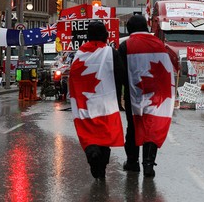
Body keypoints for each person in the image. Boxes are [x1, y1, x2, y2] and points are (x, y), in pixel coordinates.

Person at [118, 15, 175, 177]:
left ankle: (132, 162)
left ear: (129, 29)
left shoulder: (125, 46)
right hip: (157, 95)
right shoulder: (159, 45)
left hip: (133, 94)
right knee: (152, 127)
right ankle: (148, 164)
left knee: (134, 126)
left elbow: (120, 73)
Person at [68, 21, 125, 179]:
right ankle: (102, 165)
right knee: (104, 134)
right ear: (105, 36)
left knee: (88, 133)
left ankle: (92, 153)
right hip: (105, 101)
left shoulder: (79, 54)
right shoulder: (111, 52)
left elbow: (73, 77)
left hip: (85, 101)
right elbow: (121, 73)